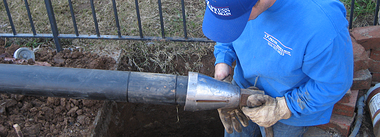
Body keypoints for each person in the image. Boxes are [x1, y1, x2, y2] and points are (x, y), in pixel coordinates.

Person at [202, 0, 354, 136]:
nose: (235, 23)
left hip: (289, 111)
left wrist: (282, 108)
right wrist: (223, 62)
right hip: (239, 90)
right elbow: (228, 26)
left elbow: (334, 84)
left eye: (239, 18)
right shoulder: (241, 7)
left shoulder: (322, 24)